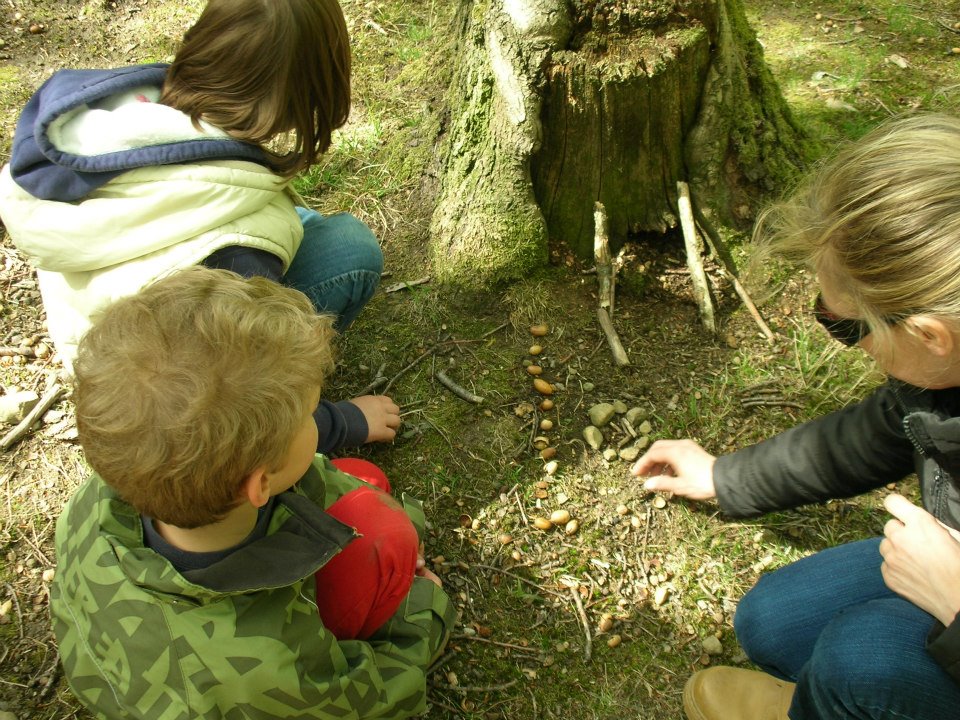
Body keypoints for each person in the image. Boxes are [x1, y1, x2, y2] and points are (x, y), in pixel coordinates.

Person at [631, 114, 960, 720]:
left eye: (842, 325)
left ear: (929, 335)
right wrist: (726, 478)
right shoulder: (942, 384)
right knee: (773, 621)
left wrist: (955, 602)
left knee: (854, 659)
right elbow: (884, 431)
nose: (836, 331)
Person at [51, 267, 454, 719]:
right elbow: (375, 701)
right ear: (258, 484)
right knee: (384, 530)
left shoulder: (105, 496)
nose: (317, 422)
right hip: (231, 682)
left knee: (361, 479)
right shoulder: (267, 666)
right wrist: (424, 612)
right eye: (310, 416)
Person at [0, 0, 399, 455]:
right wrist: (338, 422)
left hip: (104, 339)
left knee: (295, 224)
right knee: (350, 250)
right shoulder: (236, 262)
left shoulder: (114, 110)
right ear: (306, 97)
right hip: (171, 397)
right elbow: (242, 396)